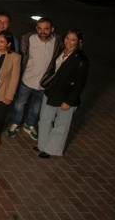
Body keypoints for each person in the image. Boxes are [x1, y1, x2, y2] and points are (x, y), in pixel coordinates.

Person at [36, 29, 89, 158]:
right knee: (44, 119)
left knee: (61, 125)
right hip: (52, 92)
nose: (69, 42)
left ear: (79, 42)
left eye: (73, 40)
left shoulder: (81, 60)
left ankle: (51, 150)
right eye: (67, 38)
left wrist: (69, 101)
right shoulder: (61, 51)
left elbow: (80, 84)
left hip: (66, 97)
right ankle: (42, 146)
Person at [8, 17, 62, 140]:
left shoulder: (57, 42)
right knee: (19, 104)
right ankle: (15, 123)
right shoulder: (28, 39)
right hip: (27, 80)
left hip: (44, 84)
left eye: (46, 29)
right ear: (36, 29)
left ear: (52, 29)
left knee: (36, 107)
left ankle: (30, 125)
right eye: (40, 28)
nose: (43, 31)